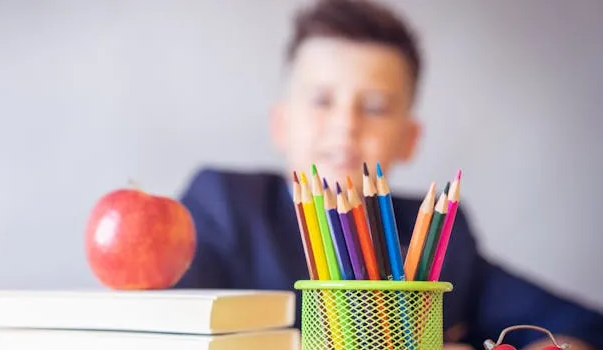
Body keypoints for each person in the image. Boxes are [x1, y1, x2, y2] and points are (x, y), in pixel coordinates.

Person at [172, 0, 603, 349]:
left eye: (375, 107)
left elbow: (581, 324)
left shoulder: (436, 233)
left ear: (409, 139)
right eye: (322, 100)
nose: (346, 124)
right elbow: (164, 329)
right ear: (281, 124)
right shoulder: (224, 203)